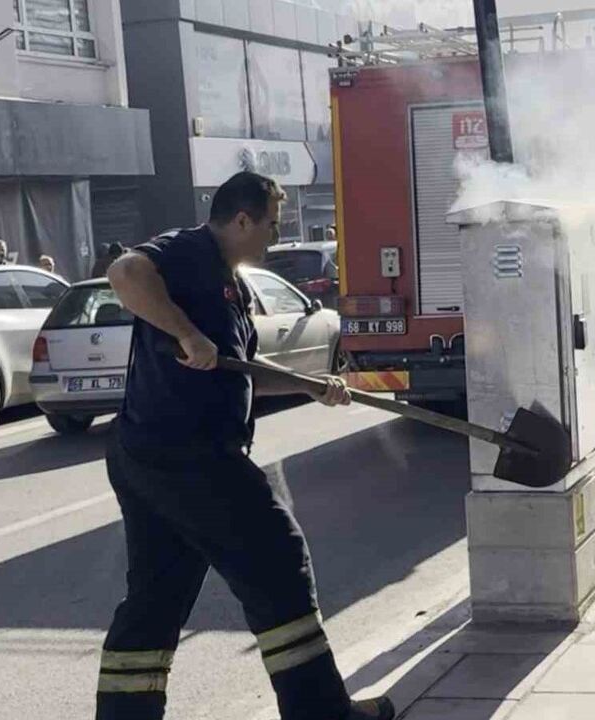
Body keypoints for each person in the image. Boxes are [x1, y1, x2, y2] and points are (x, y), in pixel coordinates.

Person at [100, 171, 395, 720]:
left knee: (156, 595)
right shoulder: (189, 252)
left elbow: (242, 373)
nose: (273, 239)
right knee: (278, 557)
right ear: (241, 220)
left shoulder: (230, 286)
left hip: (150, 454)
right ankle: (321, 713)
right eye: (270, 226)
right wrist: (186, 333)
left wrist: (313, 387)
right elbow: (125, 272)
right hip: (189, 455)